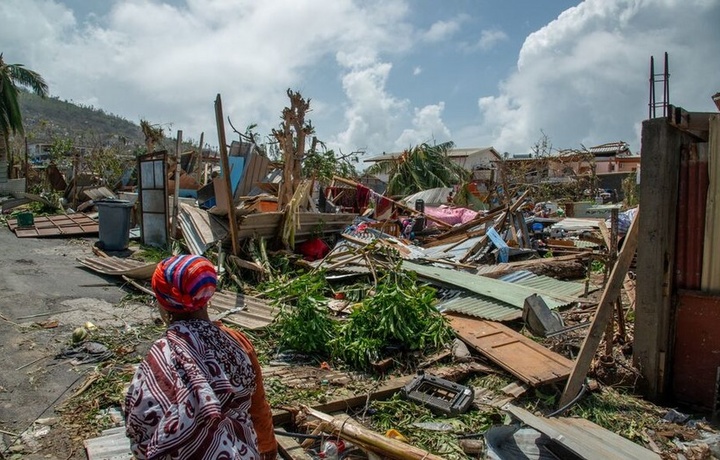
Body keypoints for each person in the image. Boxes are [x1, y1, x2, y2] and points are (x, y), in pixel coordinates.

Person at [124, 255, 277, 460]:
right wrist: (267, 447)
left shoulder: (160, 358)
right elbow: (257, 406)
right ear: (208, 298)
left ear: (163, 304)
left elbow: (140, 425)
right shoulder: (237, 344)